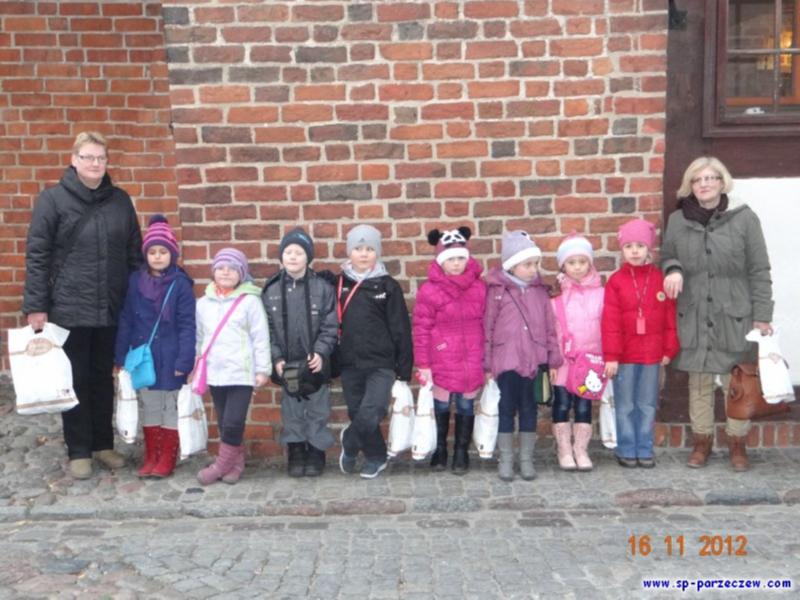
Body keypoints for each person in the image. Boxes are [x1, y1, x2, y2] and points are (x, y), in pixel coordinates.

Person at [22, 131, 142, 479]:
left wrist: (136, 300)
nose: (95, 164)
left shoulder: (120, 201)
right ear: (74, 160)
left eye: (101, 158)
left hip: (110, 306)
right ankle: (79, 450)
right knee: (73, 379)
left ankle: (104, 444)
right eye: (88, 157)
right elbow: (38, 255)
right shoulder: (53, 200)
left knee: (103, 377)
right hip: (69, 307)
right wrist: (36, 306)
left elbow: (133, 252)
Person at [662, 156, 774, 471]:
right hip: (694, 311)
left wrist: (762, 314)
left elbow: (759, 269)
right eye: (698, 179)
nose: (705, 184)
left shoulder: (745, 218)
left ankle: (737, 444)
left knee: (736, 381)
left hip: (734, 312)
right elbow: (667, 254)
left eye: (711, 178)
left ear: (722, 182)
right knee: (698, 382)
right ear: (690, 185)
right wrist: (672, 269)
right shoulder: (678, 220)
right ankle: (702, 443)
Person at [114, 215, 196, 478]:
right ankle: (152, 455)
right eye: (152, 252)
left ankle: (167, 457)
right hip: (143, 357)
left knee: (170, 406)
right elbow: (127, 318)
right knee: (149, 404)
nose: (158, 257)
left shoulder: (181, 284)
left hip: (171, 355)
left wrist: (185, 361)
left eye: (163, 252)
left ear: (172, 254)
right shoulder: (135, 281)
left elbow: (187, 325)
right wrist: (120, 356)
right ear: (145, 255)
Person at [336, 225, 413, 479]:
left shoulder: (388, 286)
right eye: (358, 248)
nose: (364, 253)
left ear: (377, 253)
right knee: (357, 411)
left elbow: (401, 328)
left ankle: (349, 441)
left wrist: (404, 368)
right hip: (350, 361)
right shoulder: (339, 283)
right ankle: (376, 457)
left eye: (369, 249)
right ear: (349, 252)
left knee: (374, 409)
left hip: (381, 363)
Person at [484, 231, 562, 482]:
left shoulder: (540, 292)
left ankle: (526, 458)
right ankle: (506, 458)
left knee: (529, 408)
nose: (532, 269)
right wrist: (488, 364)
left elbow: (550, 328)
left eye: (535, 264)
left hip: (534, 360)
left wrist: (553, 359)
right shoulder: (497, 292)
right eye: (527, 264)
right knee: (506, 408)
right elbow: (488, 328)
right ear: (511, 265)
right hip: (506, 360)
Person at [602, 219, 679, 469]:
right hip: (624, 356)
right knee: (625, 405)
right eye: (629, 246)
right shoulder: (616, 282)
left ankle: (644, 448)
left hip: (652, 355)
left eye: (640, 246)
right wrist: (611, 356)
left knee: (646, 404)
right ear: (622, 250)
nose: (634, 251)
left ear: (649, 249)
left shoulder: (659, 279)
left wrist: (669, 349)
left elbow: (670, 318)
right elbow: (610, 322)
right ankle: (626, 448)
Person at [262, 227, 338, 478]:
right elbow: (267, 329)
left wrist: (321, 352)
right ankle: (296, 450)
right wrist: (276, 357)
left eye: (299, 252)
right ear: (281, 257)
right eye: (288, 252)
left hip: (314, 363)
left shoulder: (322, 288)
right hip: (287, 364)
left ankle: (316, 450)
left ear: (308, 257)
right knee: (291, 411)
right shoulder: (271, 290)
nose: (293, 257)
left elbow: (330, 325)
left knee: (318, 408)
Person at [412, 227, 486, 475]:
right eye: (450, 259)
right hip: (441, 357)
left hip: (472, 356)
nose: (456, 264)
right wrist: (423, 364)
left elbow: (488, 322)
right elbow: (421, 329)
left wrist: (487, 360)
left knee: (466, 405)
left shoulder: (479, 288)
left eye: (460, 258)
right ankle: (441, 448)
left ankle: (461, 451)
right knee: (441, 406)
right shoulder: (429, 291)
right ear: (441, 261)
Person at [194, 248, 271, 485]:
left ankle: (220, 465)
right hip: (215, 372)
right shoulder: (203, 303)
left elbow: (260, 337)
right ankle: (236, 464)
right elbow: (200, 338)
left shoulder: (250, 302)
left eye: (232, 269)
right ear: (213, 272)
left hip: (241, 373)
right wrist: (197, 366)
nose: (226, 272)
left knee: (234, 421)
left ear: (242, 273)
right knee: (223, 421)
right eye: (221, 268)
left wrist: (262, 370)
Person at [550, 234, 604, 472]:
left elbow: (607, 327)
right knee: (562, 403)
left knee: (583, 406)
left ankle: (581, 449)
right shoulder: (556, 298)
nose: (578, 267)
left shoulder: (601, 294)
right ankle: (564, 449)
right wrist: (552, 362)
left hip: (589, 363)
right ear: (563, 266)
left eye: (582, 261)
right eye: (572, 262)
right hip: (564, 362)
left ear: (590, 263)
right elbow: (551, 332)